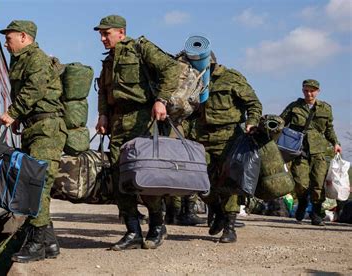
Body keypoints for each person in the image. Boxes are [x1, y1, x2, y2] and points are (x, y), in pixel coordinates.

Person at [94, 15, 180, 250]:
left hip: (144, 118)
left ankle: (156, 226)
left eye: (106, 33)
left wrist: (161, 100)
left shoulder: (140, 48)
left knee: (146, 175)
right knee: (118, 175)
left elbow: (171, 68)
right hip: (118, 121)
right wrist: (103, 114)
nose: (102, 38)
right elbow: (103, 90)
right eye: (100, 34)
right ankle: (133, 231)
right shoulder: (108, 61)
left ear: (121, 32)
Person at [0, 20, 67, 262]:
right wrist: (20, 118)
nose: (6, 43)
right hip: (34, 126)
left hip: (48, 129)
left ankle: (37, 245)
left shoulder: (37, 58)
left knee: (38, 184)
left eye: (9, 38)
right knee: (32, 182)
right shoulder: (19, 59)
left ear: (24, 37)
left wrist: (14, 112)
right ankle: (49, 244)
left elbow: (33, 90)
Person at [194, 53, 262, 243]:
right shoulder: (192, 79)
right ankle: (217, 212)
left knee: (230, 182)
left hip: (229, 138)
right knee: (199, 181)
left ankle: (229, 228)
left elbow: (254, 103)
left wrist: (252, 122)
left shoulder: (232, 78)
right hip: (201, 138)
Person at [280, 79, 341, 226]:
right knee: (300, 182)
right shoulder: (294, 107)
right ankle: (302, 201)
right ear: (303, 91)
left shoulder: (325, 108)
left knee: (318, 183)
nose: (309, 93)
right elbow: (281, 121)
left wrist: (335, 143)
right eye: (306, 90)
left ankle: (316, 213)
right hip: (299, 150)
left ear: (317, 91)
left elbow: (329, 129)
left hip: (318, 150)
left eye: (312, 90)